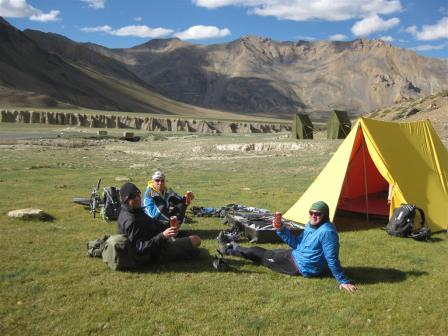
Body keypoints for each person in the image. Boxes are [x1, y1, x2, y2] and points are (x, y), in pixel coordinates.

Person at [218, 201, 357, 293]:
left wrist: (343, 280)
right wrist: (280, 228)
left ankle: (230, 248)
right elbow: (297, 244)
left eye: (318, 213)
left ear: (325, 215)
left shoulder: (327, 232)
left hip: (301, 266)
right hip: (296, 255)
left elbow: (332, 258)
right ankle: (232, 247)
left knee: (260, 254)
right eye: (311, 212)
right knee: (269, 252)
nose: (313, 216)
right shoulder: (311, 225)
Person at [117, 182, 201, 264]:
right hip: (152, 253)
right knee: (196, 240)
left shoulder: (133, 211)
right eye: (132, 196)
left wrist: (168, 228)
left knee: (187, 235)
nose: (137, 198)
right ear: (125, 199)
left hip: (156, 240)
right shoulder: (131, 220)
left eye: (138, 193)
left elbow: (152, 223)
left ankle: (186, 251)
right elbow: (139, 249)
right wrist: (163, 236)